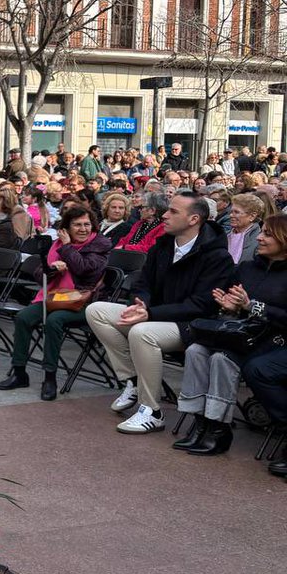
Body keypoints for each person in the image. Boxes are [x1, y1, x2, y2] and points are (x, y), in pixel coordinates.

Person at [85, 192, 236, 434]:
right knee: (97, 311)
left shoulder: (217, 256)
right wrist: (141, 304)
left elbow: (201, 305)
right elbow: (142, 282)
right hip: (156, 315)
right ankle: (133, 380)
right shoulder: (163, 245)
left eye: (174, 211)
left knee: (142, 333)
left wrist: (150, 313)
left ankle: (151, 411)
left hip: (192, 326)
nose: (164, 215)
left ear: (193, 219)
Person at [173, 214, 287, 457]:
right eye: (262, 232)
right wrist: (227, 305)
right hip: (238, 333)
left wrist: (253, 306)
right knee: (195, 350)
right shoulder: (248, 267)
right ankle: (200, 421)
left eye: (267, 233)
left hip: (273, 340)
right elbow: (231, 300)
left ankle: (218, 427)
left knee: (221, 358)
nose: (259, 237)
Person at [0, 203, 113, 400]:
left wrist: (67, 248)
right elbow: (38, 274)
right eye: (77, 225)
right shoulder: (56, 245)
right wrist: (51, 269)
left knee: (54, 321)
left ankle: (50, 377)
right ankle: (19, 372)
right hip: (55, 297)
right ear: (66, 228)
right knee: (24, 317)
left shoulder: (99, 246)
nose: (83, 229)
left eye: (87, 224)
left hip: (84, 302)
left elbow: (84, 269)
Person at [225, 192, 264, 264]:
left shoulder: (259, 239)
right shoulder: (225, 235)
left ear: (252, 216)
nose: (231, 215)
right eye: (231, 212)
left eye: (236, 212)